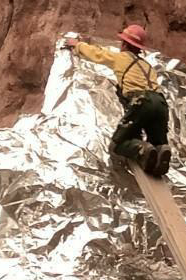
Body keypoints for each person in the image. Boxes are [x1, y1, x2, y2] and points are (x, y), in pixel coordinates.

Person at [65, 25, 171, 177]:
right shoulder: (148, 66)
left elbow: (97, 54)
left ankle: (141, 150)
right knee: (158, 144)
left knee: (118, 144)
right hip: (161, 104)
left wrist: (77, 45)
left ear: (124, 44)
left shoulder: (121, 58)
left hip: (142, 102)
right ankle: (161, 149)